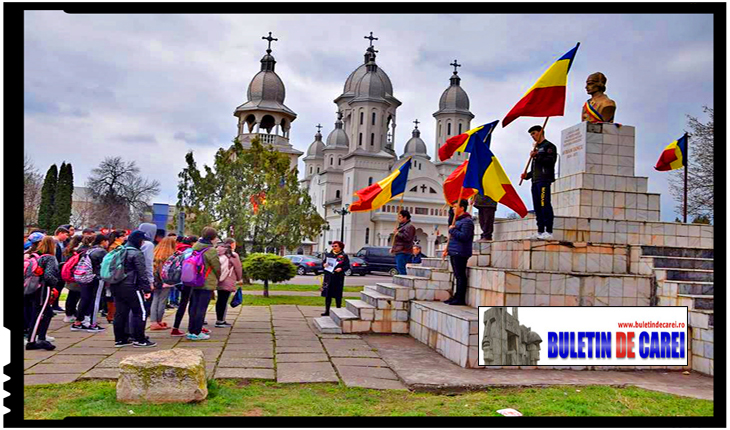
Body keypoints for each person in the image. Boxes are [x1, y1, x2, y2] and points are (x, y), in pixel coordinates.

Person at [111, 230, 156, 348]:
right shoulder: (137, 253)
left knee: (120, 313)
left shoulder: (119, 250)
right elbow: (142, 273)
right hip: (132, 286)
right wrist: (147, 289)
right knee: (140, 312)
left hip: (117, 285)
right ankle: (139, 338)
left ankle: (120, 339)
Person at [520, 125, 558, 240]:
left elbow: (550, 162)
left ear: (541, 132)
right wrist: (527, 176)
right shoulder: (536, 148)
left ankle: (549, 231)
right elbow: (537, 167)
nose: (532, 136)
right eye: (531, 134)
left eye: (534, 133)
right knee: (537, 207)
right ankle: (540, 231)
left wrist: (537, 156)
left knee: (544, 204)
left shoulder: (549, 146)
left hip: (544, 180)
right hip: (535, 180)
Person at [26, 236, 61, 351]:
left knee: (46, 313)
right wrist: (56, 282)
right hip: (43, 289)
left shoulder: (36, 255)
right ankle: (34, 341)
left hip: (34, 287)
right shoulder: (50, 258)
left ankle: (39, 338)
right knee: (40, 313)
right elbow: (48, 276)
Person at [70, 234, 109, 333]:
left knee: (84, 299)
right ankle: (92, 324)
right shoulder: (101, 251)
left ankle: (78, 322)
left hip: (84, 276)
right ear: (103, 241)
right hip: (95, 277)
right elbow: (105, 266)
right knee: (95, 300)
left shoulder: (88, 250)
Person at [187, 227, 221, 340]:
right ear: (212, 238)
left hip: (194, 280)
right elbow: (217, 267)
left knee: (194, 306)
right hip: (206, 281)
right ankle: (197, 332)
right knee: (202, 308)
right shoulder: (211, 250)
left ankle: (191, 330)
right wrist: (219, 277)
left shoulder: (195, 247)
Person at [442, 199, 474, 306]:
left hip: (460, 252)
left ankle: (460, 298)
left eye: (455, 207)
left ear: (462, 208)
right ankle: (456, 296)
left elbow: (464, 236)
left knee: (460, 275)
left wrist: (452, 230)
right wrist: (448, 249)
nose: (453, 208)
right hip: (454, 251)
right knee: (457, 275)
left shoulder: (467, 221)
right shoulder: (458, 220)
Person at [170, 235, 201, 337]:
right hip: (187, 280)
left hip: (178, 280)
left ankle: (176, 327)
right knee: (190, 304)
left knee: (183, 303)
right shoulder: (190, 251)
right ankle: (191, 327)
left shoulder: (179, 249)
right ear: (193, 243)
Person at [149, 236, 177, 330]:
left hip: (155, 280)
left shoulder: (155, 253)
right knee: (162, 301)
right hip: (166, 281)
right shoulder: (171, 256)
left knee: (155, 300)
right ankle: (158, 321)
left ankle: (153, 321)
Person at [215, 238, 243, 328]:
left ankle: (219, 319)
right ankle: (221, 321)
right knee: (224, 300)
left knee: (219, 300)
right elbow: (238, 268)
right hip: (228, 280)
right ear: (231, 244)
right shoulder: (233, 255)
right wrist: (239, 278)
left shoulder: (216, 252)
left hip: (218, 279)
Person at [321, 241, 350, 316]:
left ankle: (338, 311)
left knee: (338, 295)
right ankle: (327, 311)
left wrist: (341, 269)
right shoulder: (329, 255)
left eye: (335, 246)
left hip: (338, 278)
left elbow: (347, 266)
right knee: (328, 295)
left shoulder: (343, 256)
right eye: (333, 246)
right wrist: (324, 265)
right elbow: (323, 263)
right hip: (328, 277)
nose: (334, 247)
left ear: (340, 247)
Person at [60, 233, 83, 322]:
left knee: (72, 295)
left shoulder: (69, 250)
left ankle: (70, 313)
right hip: (74, 276)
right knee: (73, 296)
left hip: (69, 276)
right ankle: (69, 314)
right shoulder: (76, 252)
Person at [390, 210, 416, 275]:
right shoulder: (402, 226)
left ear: (405, 217)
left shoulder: (409, 226)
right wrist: (393, 248)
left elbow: (407, 238)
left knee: (402, 269)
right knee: (399, 268)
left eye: (400, 216)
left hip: (404, 251)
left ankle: (404, 282)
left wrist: (397, 233)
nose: (399, 218)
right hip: (400, 250)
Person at [51, 226, 70, 313]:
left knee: (59, 287)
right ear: (60, 233)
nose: (67, 237)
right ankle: (53, 305)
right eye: (65, 234)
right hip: (56, 268)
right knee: (56, 287)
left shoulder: (63, 243)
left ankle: (55, 305)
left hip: (61, 268)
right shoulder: (54, 242)